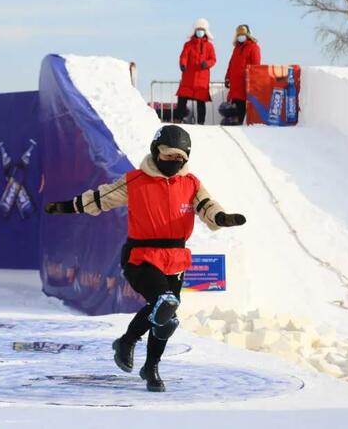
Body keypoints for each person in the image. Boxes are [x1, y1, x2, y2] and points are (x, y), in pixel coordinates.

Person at [44, 125, 246, 392]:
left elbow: (207, 205)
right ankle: (127, 342)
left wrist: (222, 218)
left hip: (175, 258)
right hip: (141, 256)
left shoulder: (191, 183)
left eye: (179, 158)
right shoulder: (135, 181)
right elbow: (100, 198)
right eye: (168, 156)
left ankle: (150, 365)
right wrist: (65, 207)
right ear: (155, 152)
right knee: (165, 303)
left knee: (167, 315)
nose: (173, 163)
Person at [175, 18, 216, 125]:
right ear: (194, 31)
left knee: (201, 102)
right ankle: (178, 119)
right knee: (182, 99)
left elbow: (213, 59)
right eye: (198, 30)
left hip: (202, 79)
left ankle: (201, 122)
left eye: (202, 30)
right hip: (188, 77)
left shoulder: (209, 46)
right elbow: (183, 56)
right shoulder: (188, 45)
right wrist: (183, 64)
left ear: (205, 31)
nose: (200, 32)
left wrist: (207, 64)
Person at [224, 24, 261, 125]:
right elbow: (231, 64)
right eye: (239, 34)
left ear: (247, 35)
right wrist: (227, 78)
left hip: (245, 82)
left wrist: (253, 80)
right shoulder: (236, 48)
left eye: (243, 34)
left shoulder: (254, 47)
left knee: (242, 105)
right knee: (235, 105)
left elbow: (256, 65)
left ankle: (241, 125)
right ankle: (236, 124)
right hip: (235, 83)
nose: (241, 36)